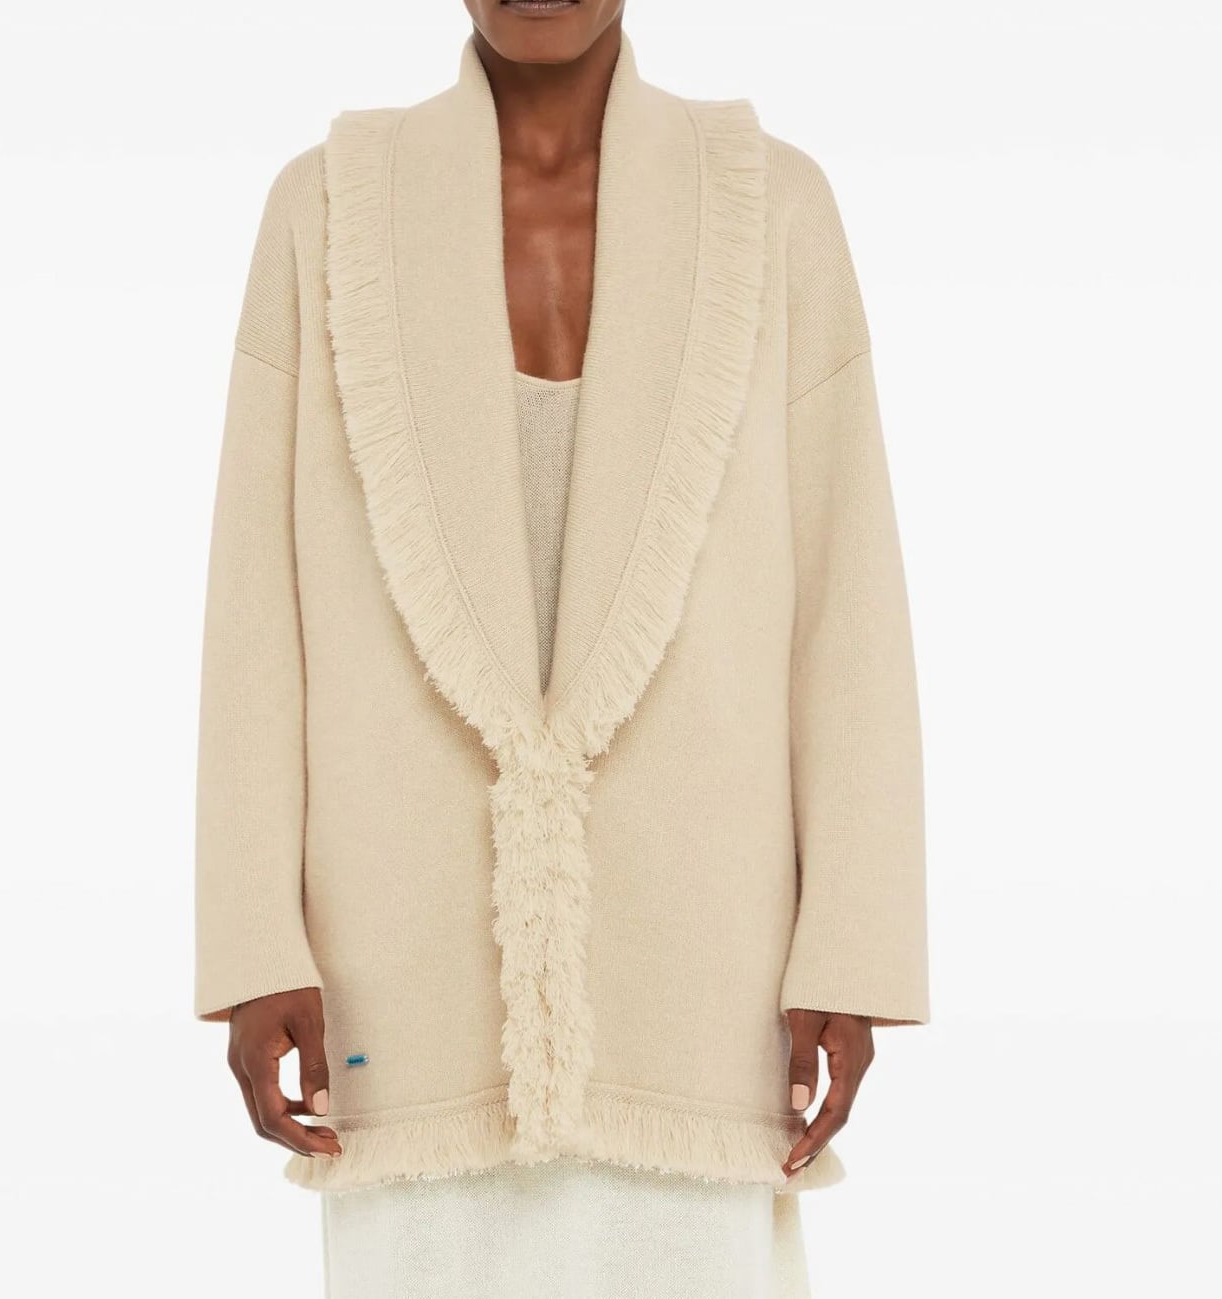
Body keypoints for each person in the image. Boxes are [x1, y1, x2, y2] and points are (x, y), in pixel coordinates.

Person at [194, 3, 930, 1295]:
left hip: (703, 958)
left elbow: (846, 593)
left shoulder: (772, 207)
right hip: (401, 964)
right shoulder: (326, 212)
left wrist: (851, 949)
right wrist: (256, 946)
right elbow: (256, 604)